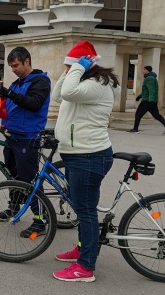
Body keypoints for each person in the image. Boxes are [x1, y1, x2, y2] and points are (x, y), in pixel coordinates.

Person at [51, 40, 120, 282]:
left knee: (86, 210)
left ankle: (85, 267)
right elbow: (58, 94)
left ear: (86, 67)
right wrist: (68, 68)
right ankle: (82, 249)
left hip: (89, 156)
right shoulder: (83, 83)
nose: (68, 71)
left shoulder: (96, 85)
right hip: (78, 155)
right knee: (82, 208)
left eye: (72, 67)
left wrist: (77, 67)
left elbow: (68, 92)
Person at [0, 46, 51, 238]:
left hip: (28, 138)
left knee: (29, 180)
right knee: (13, 176)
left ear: (27, 61)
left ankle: (40, 220)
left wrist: (9, 94)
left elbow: (33, 104)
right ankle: (14, 208)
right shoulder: (17, 83)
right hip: (13, 136)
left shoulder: (40, 81)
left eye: (16, 65)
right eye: (11, 67)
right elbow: (10, 107)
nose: (13, 69)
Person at [128, 65, 165, 135]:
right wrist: (139, 96)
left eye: (144, 69)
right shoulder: (151, 78)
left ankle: (135, 129)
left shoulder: (149, 78)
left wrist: (150, 100)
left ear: (147, 70)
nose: (142, 71)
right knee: (156, 115)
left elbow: (151, 90)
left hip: (147, 101)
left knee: (138, 114)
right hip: (151, 101)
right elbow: (146, 91)